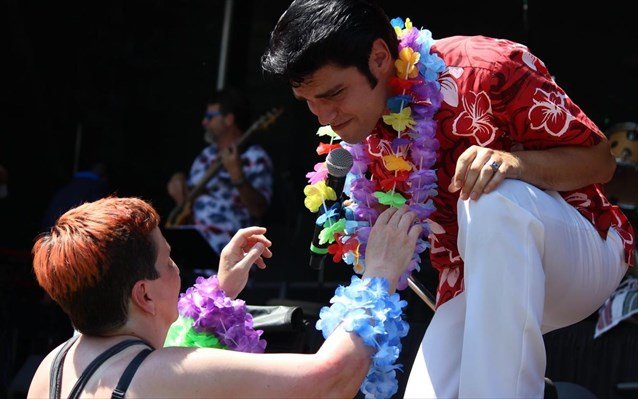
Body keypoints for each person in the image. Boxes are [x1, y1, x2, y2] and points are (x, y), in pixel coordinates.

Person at [260, 0, 636, 397]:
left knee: (493, 199)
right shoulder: (357, 135)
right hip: (473, 286)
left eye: (333, 93)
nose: (323, 117)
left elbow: (600, 163)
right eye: (309, 102)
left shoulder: (486, 68)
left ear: (379, 57)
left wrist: (514, 163)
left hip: (584, 253)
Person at [27, 196, 421, 398]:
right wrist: (379, 275)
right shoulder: (161, 373)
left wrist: (220, 291)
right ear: (143, 294)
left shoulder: (53, 366)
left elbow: (167, 351)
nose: (178, 270)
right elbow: (328, 380)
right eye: (168, 261)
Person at [167, 88, 273, 257]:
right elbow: (187, 205)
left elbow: (259, 209)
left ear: (228, 119)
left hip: (228, 251)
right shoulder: (205, 156)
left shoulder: (254, 157)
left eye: (210, 117)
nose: (204, 122)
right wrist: (179, 192)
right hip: (192, 247)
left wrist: (238, 176)